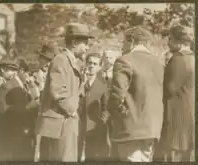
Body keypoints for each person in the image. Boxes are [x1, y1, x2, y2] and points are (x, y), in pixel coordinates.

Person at [35, 22, 93, 162]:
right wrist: (73, 111)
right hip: (60, 124)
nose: (87, 47)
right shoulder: (61, 60)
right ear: (74, 42)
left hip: (66, 122)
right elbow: (59, 92)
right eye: (84, 43)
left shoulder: (71, 61)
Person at [108, 26, 164, 162]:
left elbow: (117, 93)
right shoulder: (158, 63)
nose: (122, 46)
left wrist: (112, 111)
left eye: (123, 42)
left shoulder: (124, 60)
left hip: (130, 128)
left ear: (131, 40)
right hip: (152, 129)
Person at [160, 25, 195, 162]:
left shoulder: (179, 59)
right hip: (188, 117)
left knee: (174, 157)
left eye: (170, 39)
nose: (168, 43)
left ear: (177, 41)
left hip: (177, 120)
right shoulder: (192, 58)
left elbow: (170, 88)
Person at [0, 56, 34, 161]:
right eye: (28, 74)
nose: (30, 77)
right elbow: (2, 109)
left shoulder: (25, 85)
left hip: (22, 134)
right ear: (22, 72)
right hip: (9, 136)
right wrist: (24, 108)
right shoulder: (7, 86)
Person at [79, 51, 110, 161]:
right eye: (90, 63)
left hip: (94, 131)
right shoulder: (79, 82)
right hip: (77, 128)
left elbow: (106, 109)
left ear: (100, 67)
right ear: (86, 64)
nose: (91, 66)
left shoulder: (103, 86)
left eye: (95, 64)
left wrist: (100, 123)